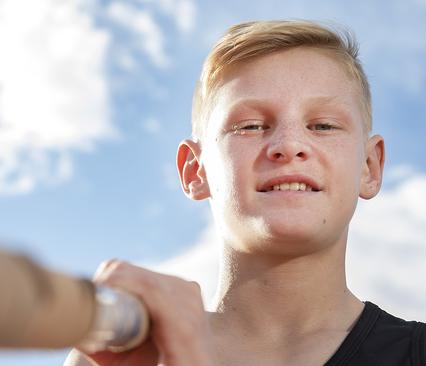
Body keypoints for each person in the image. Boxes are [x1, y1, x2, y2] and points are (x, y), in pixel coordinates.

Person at [65, 20, 426, 365]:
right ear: (196, 169)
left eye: (323, 125)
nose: (288, 145)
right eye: (250, 126)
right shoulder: (122, 354)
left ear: (369, 167)